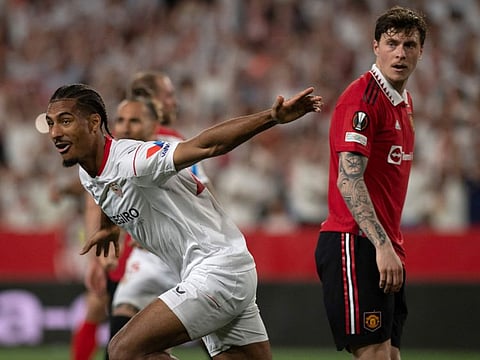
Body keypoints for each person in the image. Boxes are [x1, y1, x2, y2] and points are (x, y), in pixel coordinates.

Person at [46, 83, 322, 359]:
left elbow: (206, 145)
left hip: (217, 271)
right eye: (51, 123)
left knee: (123, 351)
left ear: (94, 123)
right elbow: (104, 188)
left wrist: (272, 117)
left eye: (65, 121)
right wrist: (108, 228)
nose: (55, 133)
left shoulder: (134, 160)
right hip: (219, 269)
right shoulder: (89, 172)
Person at [315, 6, 427, 360]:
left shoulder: (403, 102)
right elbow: (349, 179)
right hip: (355, 241)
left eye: (409, 45)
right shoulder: (362, 101)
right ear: (374, 46)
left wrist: (389, 245)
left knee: (389, 354)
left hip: (384, 243)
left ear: (421, 52)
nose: (400, 52)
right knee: (375, 353)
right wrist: (381, 246)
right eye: (392, 43)